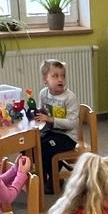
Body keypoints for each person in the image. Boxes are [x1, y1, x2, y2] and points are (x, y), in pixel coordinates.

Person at [34, 59, 79, 187]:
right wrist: (35, 116)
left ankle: (54, 180)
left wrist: (51, 119)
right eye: (55, 76)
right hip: (50, 133)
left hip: (68, 137)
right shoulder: (43, 94)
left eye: (63, 76)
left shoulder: (70, 97)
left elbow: (73, 123)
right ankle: (41, 178)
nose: (60, 79)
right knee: (35, 144)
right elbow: (41, 114)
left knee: (46, 148)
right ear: (45, 79)